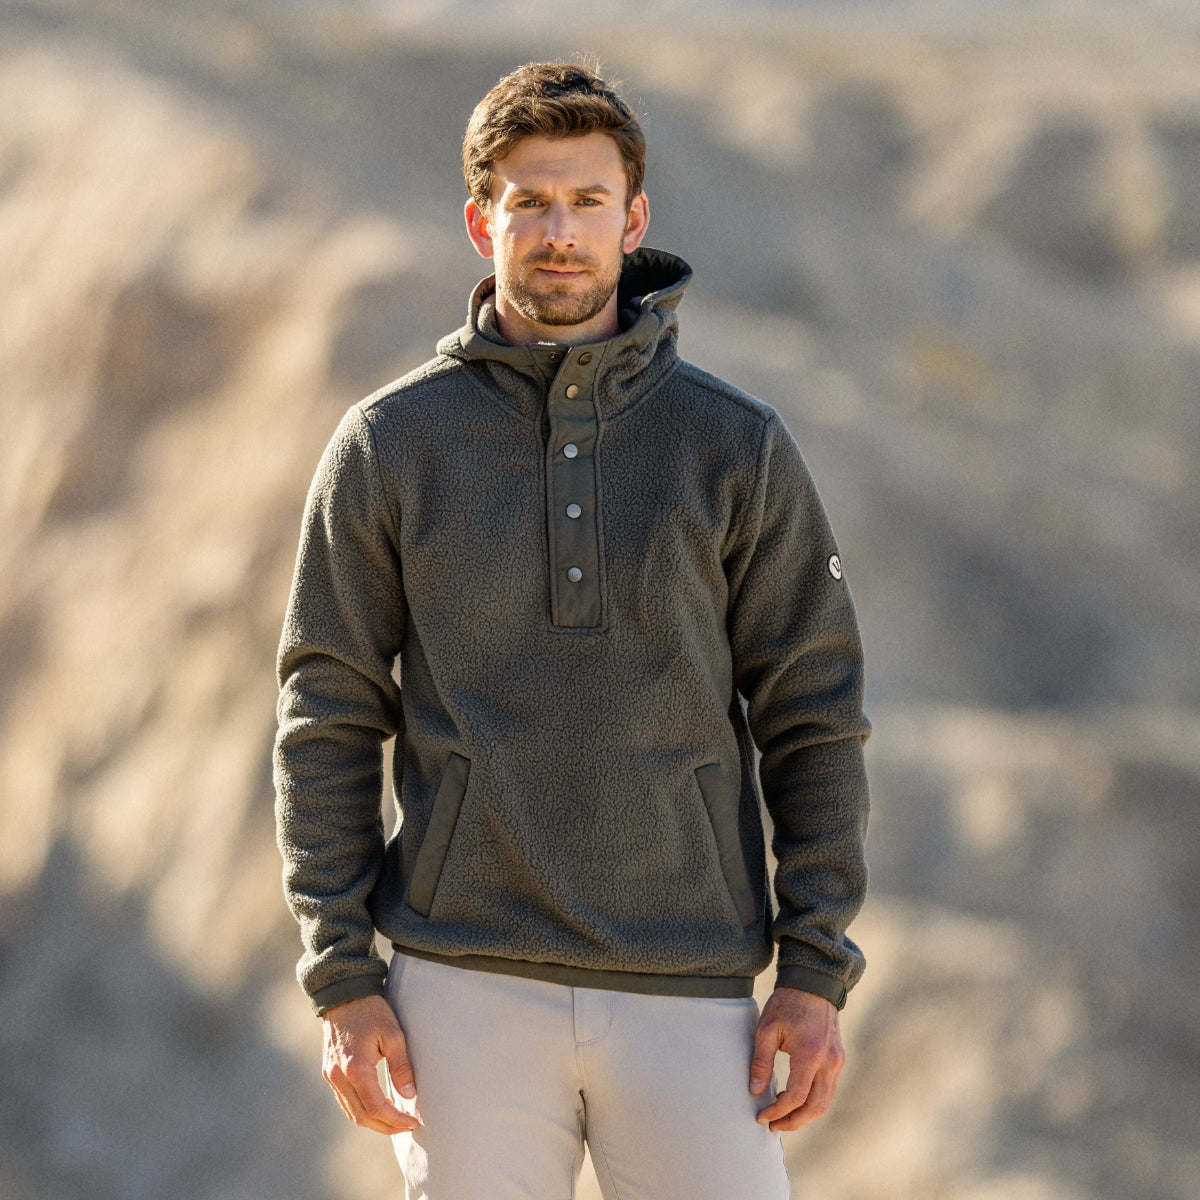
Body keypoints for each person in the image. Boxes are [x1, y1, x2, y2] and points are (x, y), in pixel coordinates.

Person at [274, 60, 870, 1200]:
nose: (559, 231)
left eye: (587, 201)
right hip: (460, 985)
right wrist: (342, 977)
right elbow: (327, 713)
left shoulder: (733, 447)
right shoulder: (390, 445)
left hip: (693, 989)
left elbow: (816, 714)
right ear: (478, 220)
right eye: (529, 201)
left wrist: (815, 969)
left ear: (633, 219)